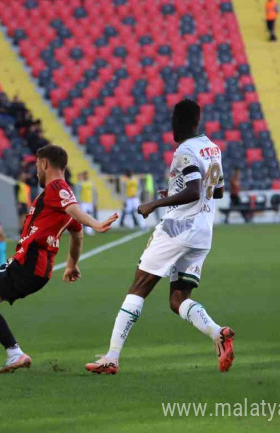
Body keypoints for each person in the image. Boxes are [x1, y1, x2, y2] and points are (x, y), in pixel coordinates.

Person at [85, 100, 234, 376]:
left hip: (177, 229)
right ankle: (218, 332)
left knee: (139, 286)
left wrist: (154, 203)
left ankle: (112, 357)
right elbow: (217, 191)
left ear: (178, 122)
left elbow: (192, 191)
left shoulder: (184, 150)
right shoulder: (212, 148)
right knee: (177, 299)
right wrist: (173, 193)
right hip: (203, 232)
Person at [0, 145, 118, 373]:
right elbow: (77, 234)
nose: (35, 172)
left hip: (29, 261)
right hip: (34, 266)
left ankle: (15, 353)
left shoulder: (57, 187)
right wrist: (72, 264)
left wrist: (96, 223)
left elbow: (73, 210)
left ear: (45, 164)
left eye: (36, 166)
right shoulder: (55, 196)